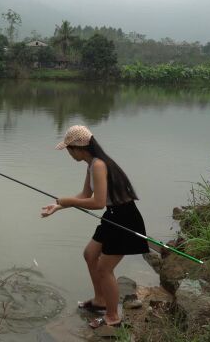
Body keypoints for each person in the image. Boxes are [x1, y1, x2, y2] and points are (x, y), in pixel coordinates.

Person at [40, 125, 149, 328]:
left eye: (69, 149)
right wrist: (58, 206)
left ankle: (113, 317)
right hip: (113, 215)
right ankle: (100, 301)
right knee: (90, 254)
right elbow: (85, 195)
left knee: (104, 268)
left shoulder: (99, 165)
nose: (69, 153)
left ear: (79, 147)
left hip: (124, 218)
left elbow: (98, 202)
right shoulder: (92, 165)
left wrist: (68, 201)